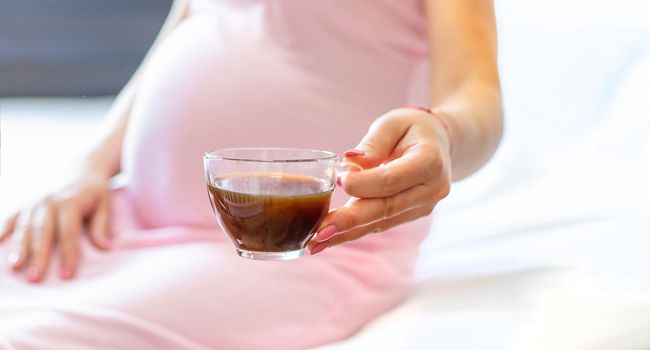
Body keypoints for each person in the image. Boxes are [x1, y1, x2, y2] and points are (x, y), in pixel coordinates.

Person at [0, 0, 502, 348]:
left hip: (303, 248)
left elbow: (474, 98)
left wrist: (442, 134)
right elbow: (191, 24)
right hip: (128, 214)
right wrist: (88, 166)